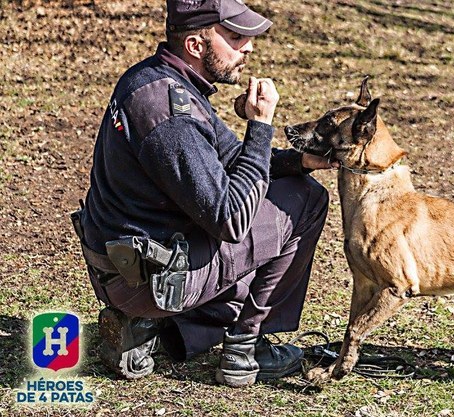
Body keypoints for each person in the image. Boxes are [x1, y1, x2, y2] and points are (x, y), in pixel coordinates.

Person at [73, 0, 334, 387]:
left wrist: (302, 162)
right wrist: (260, 127)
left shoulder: (154, 78)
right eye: (234, 37)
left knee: (295, 184)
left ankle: (157, 327)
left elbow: (230, 158)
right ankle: (245, 348)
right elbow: (231, 219)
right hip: (150, 280)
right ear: (196, 45)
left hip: (126, 266)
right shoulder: (171, 115)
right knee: (307, 201)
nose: (248, 46)